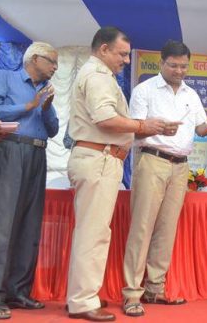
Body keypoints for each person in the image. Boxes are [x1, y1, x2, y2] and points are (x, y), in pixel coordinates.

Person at [65, 27, 165, 322]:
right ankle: (83, 301)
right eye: (121, 54)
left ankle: (83, 296)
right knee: (92, 234)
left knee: (93, 232)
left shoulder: (100, 75)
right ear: (103, 49)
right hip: (99, 158)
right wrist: (142, 126)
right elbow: (105, 118)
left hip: (102, 158)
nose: (125, 60)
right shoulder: (97, 76)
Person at [121, 40, 207, 317]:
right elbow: (134, 130)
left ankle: (155, 288)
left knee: (166, 229)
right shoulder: (145, 90)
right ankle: (131, 294)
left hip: (180, 167)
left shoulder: (192, 93)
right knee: (142, 228)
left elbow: (199, 128)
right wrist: (158, 128)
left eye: (184, 66)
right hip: (152, 159)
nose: (179, 71)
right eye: (173, 65)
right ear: (161, 63)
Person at [0, 42, 59, 320]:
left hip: (38, 153)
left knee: (29, 224)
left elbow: (54, 129)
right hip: (11, 149)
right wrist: (28, 105)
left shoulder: (45, 90)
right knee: (4, 223)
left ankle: (18, 292)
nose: (55, 68)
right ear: (34, 59)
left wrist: (45, 108)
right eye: (52, 62)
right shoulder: (5, 77)